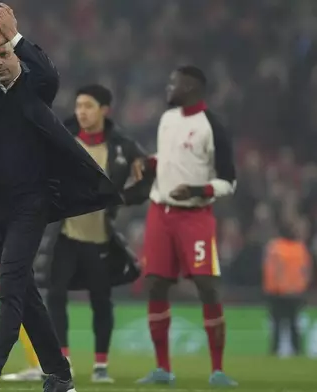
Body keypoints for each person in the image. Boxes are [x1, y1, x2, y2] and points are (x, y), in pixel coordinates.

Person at [0, 5, 121, 392]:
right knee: (24, 292)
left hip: (30, 204)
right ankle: (59, 375)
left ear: (18, 58)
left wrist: (15, 38)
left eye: (5, 56)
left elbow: (49, 74)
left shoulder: (34, 90)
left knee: (9, 288)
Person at [136, 65, 237, 387]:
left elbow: (229, 181)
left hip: (194, 216)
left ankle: (218, 370)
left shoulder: (213, 126)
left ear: (191, 86)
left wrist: (197, 191)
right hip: (159, 212)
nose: (168, 88)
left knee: (207, 286)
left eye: (173, 83)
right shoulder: (168, 120)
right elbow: (168, 157)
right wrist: (148, 163)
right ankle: (163, 369)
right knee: (155, 284)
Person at [45, 84, 148, 383]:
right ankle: (61, 360)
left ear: (104, 110)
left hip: (100, 237)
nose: (81, 112)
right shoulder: (63, 136)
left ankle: (100, 365)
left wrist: (123, 198)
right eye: (78, 106)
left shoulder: (121, 147)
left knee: (102, 301)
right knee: (55, 295)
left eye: (88, 106)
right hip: (65, 234)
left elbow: (146, 177)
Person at [263, 214, 312, 356]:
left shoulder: (274, 247)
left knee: (277, 326)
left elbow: (273, 270)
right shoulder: (300, 248)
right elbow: (306, 271)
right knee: (293, 325)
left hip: (277, 293)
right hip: (295, 293)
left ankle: (274, 352)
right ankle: (297, 352)